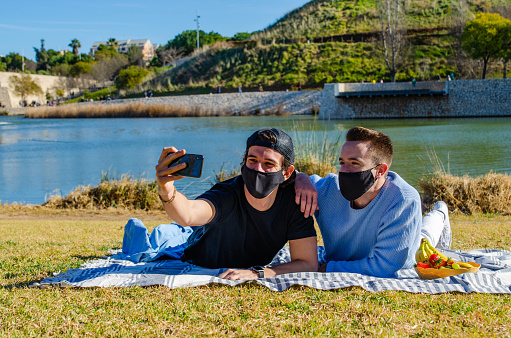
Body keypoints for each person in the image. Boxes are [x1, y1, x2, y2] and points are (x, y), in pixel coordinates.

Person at [122, 128, 318, 281]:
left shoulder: (296, 201)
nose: (258, 169)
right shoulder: (227, 194)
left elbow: (308, 263)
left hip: (221, 242)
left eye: (269, 164)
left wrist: (259, 273)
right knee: (152, 245)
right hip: (199, 252)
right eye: (252, 160)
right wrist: (166, 188)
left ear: (286, 172)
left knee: (174, 233)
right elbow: (188, 214)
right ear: (243, 161)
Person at [295, 126, 450, 278]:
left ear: (380, 170)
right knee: (423, 233)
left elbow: (383, 267)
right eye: (342, 162)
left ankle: (440, 213)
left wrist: (329, 267)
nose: (344, 171)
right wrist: (301, 177)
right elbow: (285, 176)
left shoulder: (404, 200)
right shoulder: (328, 189)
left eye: (355, 163)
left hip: (406, 253)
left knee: (425, 237)